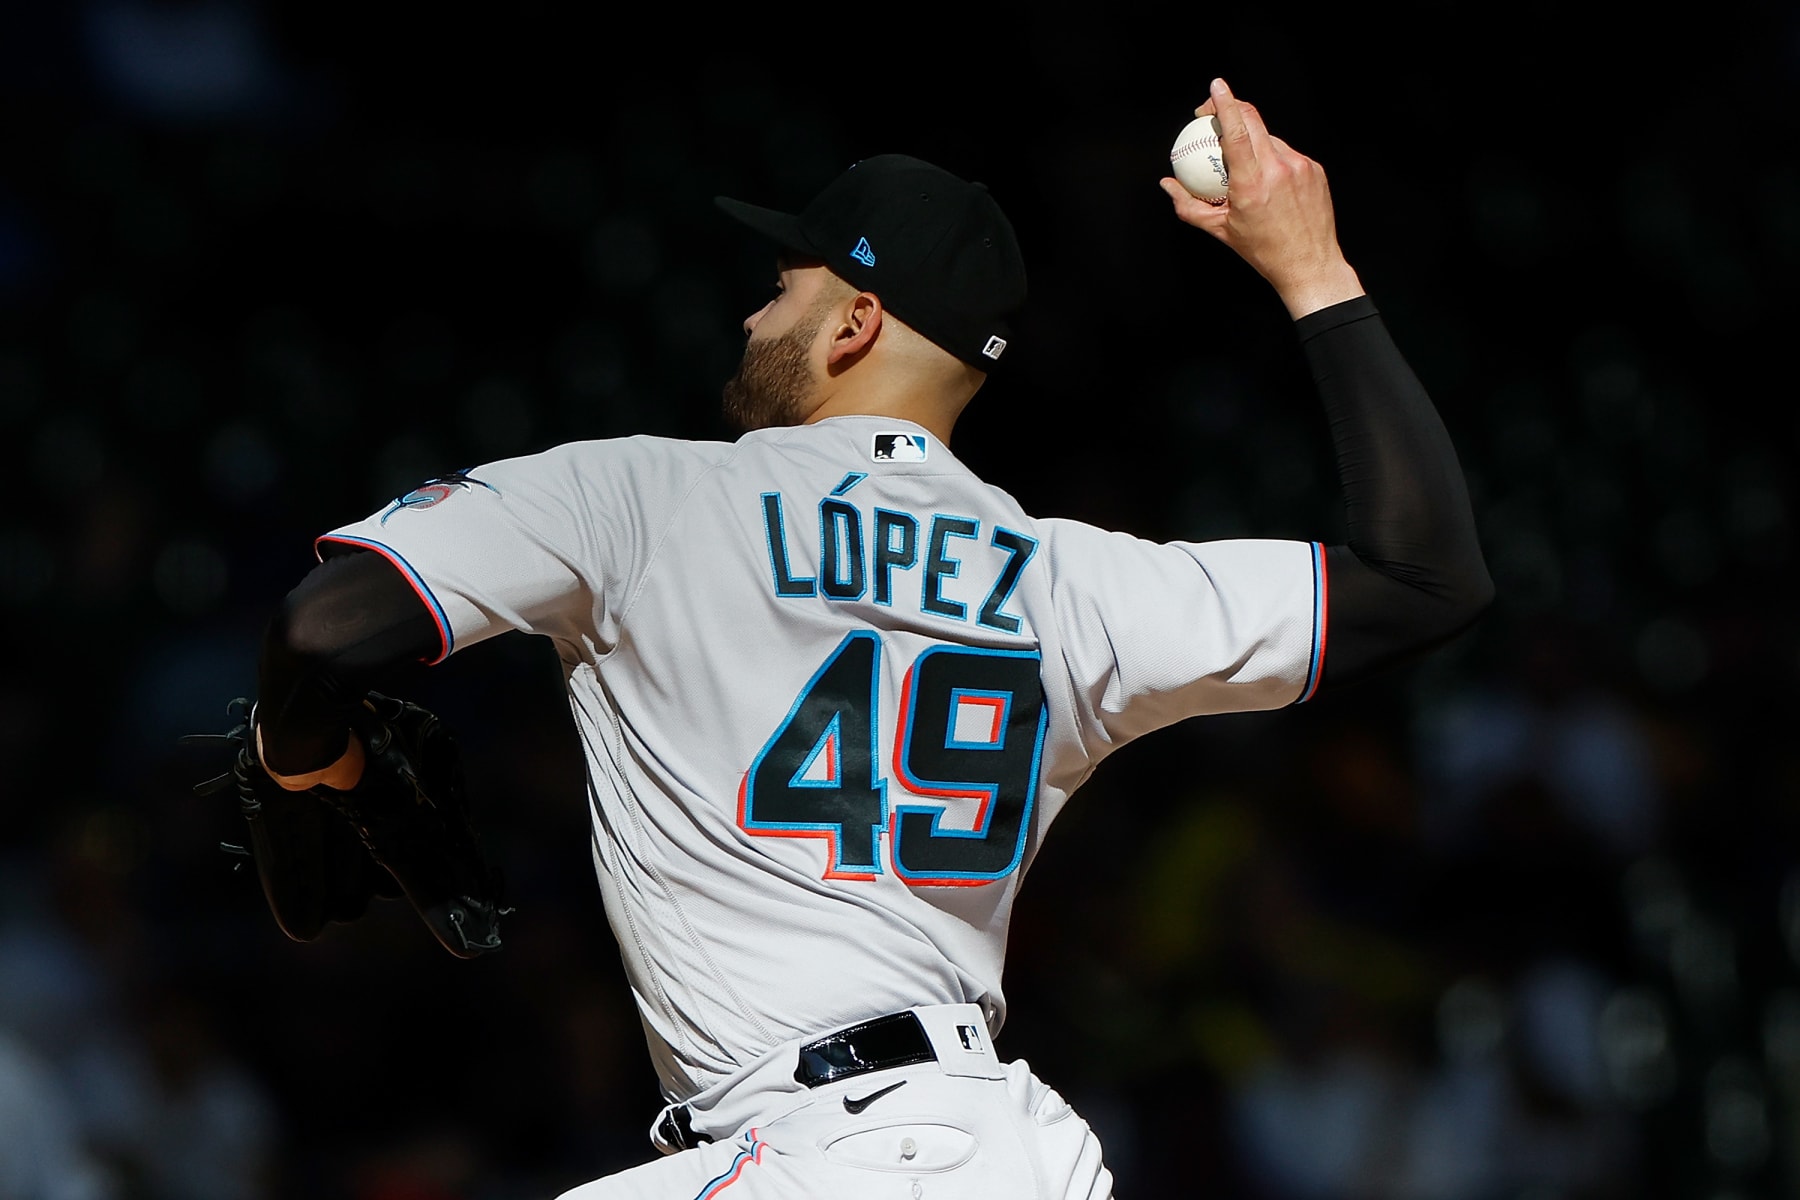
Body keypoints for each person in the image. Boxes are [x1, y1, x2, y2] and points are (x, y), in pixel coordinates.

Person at [245, 78, 1492, 1198]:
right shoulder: (1074, 583)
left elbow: (321, 631)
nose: (752, 317)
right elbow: (1423, 576)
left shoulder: (642, 498)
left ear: (853, 325)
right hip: (1013, 1152)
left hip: (813, 1149)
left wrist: (317, 764)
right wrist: (1314, 269)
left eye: (783, 288)